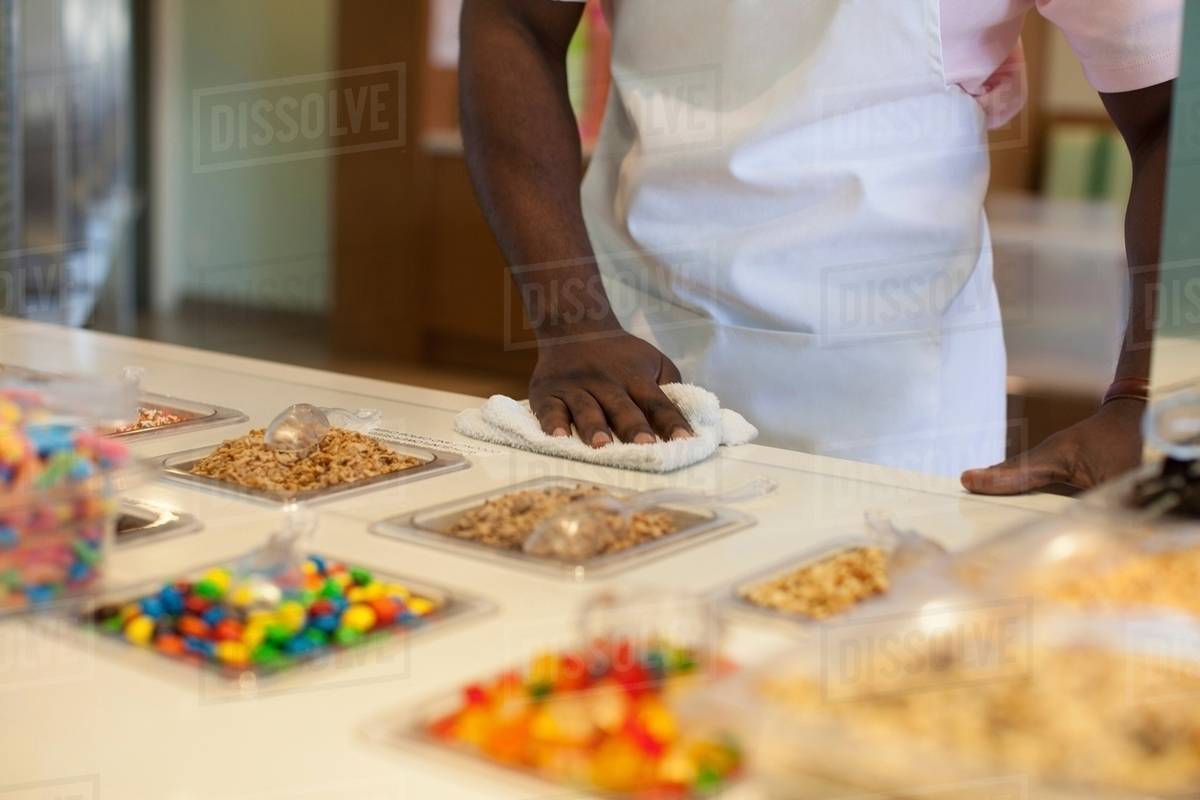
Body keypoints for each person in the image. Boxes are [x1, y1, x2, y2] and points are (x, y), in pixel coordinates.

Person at [458, 0, 1180, 494]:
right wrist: (575, 322)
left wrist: (1146, 399)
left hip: (895, 397)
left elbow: (1174, 118)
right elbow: (512, 19)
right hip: (630, 357)